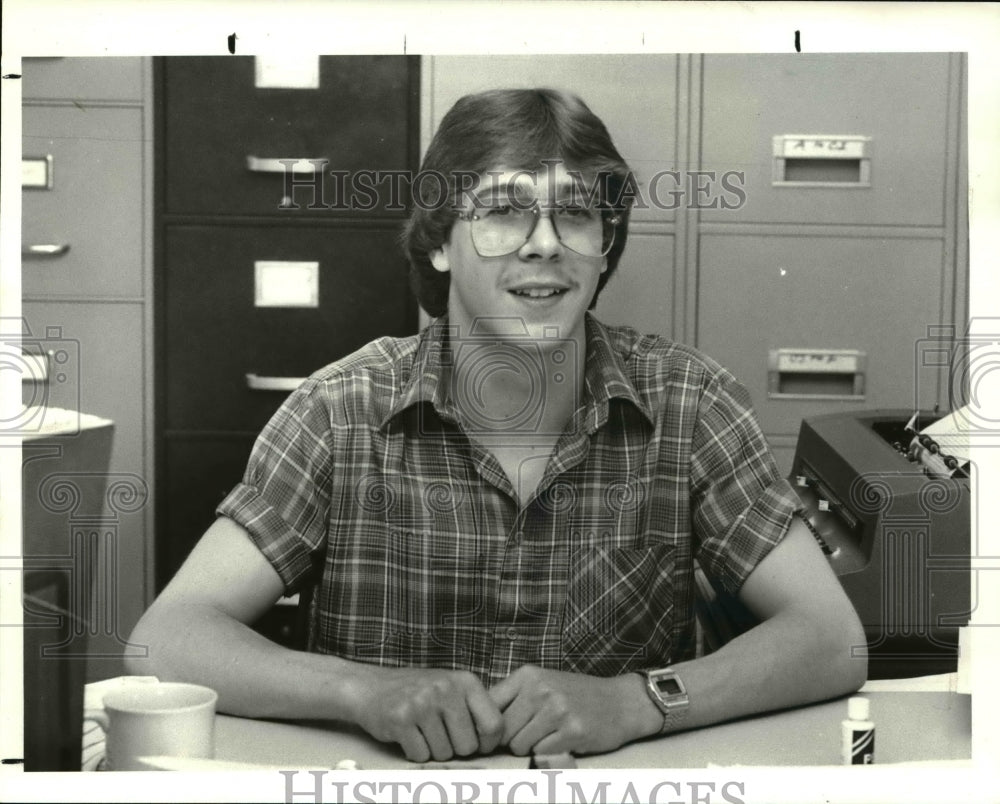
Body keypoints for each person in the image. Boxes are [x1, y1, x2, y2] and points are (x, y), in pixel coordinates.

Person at [127, 88, 866, 762]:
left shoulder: (691, 403)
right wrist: (363, 691)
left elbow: (831, 640)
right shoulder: (338, 411)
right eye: (504, 211)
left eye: (574, 214)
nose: (544, 242)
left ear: (603, 245)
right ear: (440, 243)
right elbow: (167, 639)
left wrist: (640, 700)